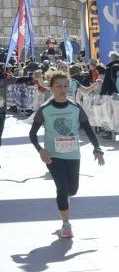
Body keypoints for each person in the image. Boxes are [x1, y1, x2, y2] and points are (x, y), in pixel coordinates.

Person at [28, 71, 105, 238]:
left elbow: (88, 129)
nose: (63, 89)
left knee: (73, 190)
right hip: (53, 156)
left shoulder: (75, 107)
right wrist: (40, 150)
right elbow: (32, 134)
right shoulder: (45, 109)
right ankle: (66, 225)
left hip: (73, 155)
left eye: (65, 86)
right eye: (58, 86)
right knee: (62, 188)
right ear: (51, 88)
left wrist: (97, 148)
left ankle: (63, 201)